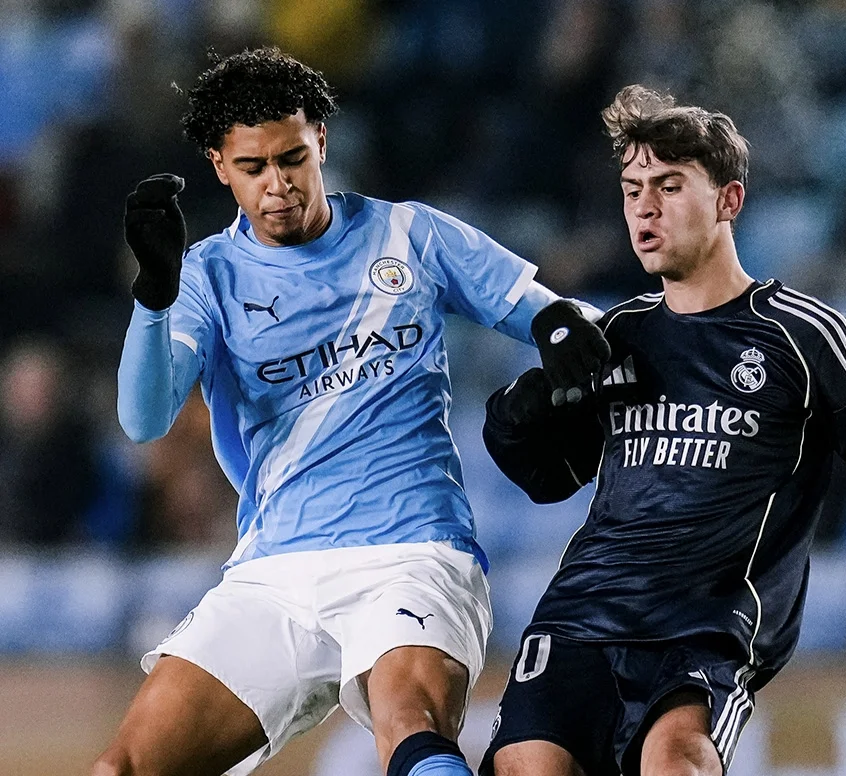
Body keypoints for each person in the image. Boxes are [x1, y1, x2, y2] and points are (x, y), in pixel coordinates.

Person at [479, 85, 846, 776]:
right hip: (581, 617)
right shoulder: (615, 335)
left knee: (677, 759)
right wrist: (521, 406)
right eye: (631, 189)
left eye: (669, 184)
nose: (644, 207)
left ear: (729, 201)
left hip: (708, 633)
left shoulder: (807, 337)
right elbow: (546, 478)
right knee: (529, 768)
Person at [94, 47, 609, 776]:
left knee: (410, 726)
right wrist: (152, 297)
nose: (278, 185)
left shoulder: (411, 235)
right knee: (123, 768)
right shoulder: (206, 276)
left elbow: (554, 314)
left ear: (322, 143)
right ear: (218, 166)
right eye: (253, 168)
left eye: (292, 158)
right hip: (275, 571)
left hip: (414, 552)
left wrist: (563, 332)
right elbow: (144, 419)